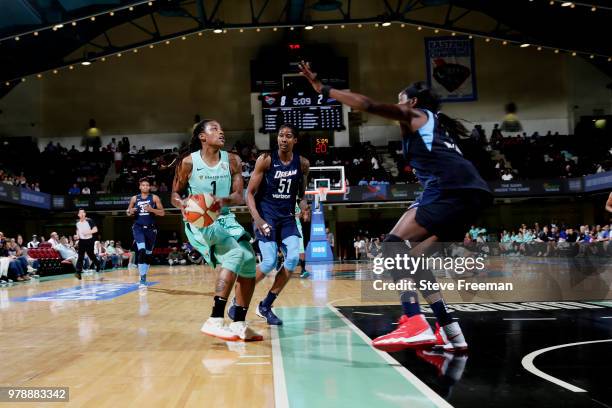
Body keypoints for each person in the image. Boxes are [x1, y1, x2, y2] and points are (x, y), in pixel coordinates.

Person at [299, 62, 491, 352]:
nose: (397, 102)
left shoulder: (417, 115)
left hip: (450, 189)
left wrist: (322, 88)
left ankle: (414, 321)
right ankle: (451, 330)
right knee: (411, 261)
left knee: (391, 246)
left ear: (411, 102)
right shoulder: (437, 127)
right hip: (472, 194)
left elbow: (367, 104)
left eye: (400, 97)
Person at [172, 119, 262, 341]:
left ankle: (239, 323)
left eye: (222, 129)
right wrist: (182, 204)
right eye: (214, 129)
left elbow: (239, 195)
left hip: (225, 217)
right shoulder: (188, 163)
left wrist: (219, 202)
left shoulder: (232, 160)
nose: (221, 132)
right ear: (202, 137)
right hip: (201, 221)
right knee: (235, 253)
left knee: (249, 260)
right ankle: (214, 319)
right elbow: (174, 194)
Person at [229, 124, 310, 326]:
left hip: (287, 218)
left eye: (288, 136)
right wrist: (258, 220)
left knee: (292, 259)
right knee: (268, 262)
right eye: (281, 135)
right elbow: (249, 194)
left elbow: (302, 194)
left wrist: (304, 205)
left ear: (295, 140)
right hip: (266, 216)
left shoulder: (302, 164)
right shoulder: (265, 160)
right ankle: (238, 299)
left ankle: (265, 305)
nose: (283, 139)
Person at [126, 177, 165, 286]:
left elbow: (162, 213)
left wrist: (152, 210)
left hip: (151, 229)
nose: (145, 187)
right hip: (138, 228)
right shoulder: (134, 199)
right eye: (143, 185)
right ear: (140, 187)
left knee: (148, 254)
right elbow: (128, 212)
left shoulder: (155, 198)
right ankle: (142, 278)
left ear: (150, 187)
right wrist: (131, 211)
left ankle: (144, 275)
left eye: (147, 185)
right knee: (141, 250)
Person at [75, 208, 101, 279]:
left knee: (91, 255)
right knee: (80, 256)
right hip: (82, 241)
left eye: (83, 212)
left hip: (89, 240)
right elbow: (78, 231)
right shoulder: (77, 223)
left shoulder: (89, 220)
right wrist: (77, 236)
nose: (82, 214)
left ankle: (98, 264)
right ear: (78, 215)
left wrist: (87, 232)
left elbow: (95, 229)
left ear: (85, 214)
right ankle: (78, 272)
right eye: (80, 213)